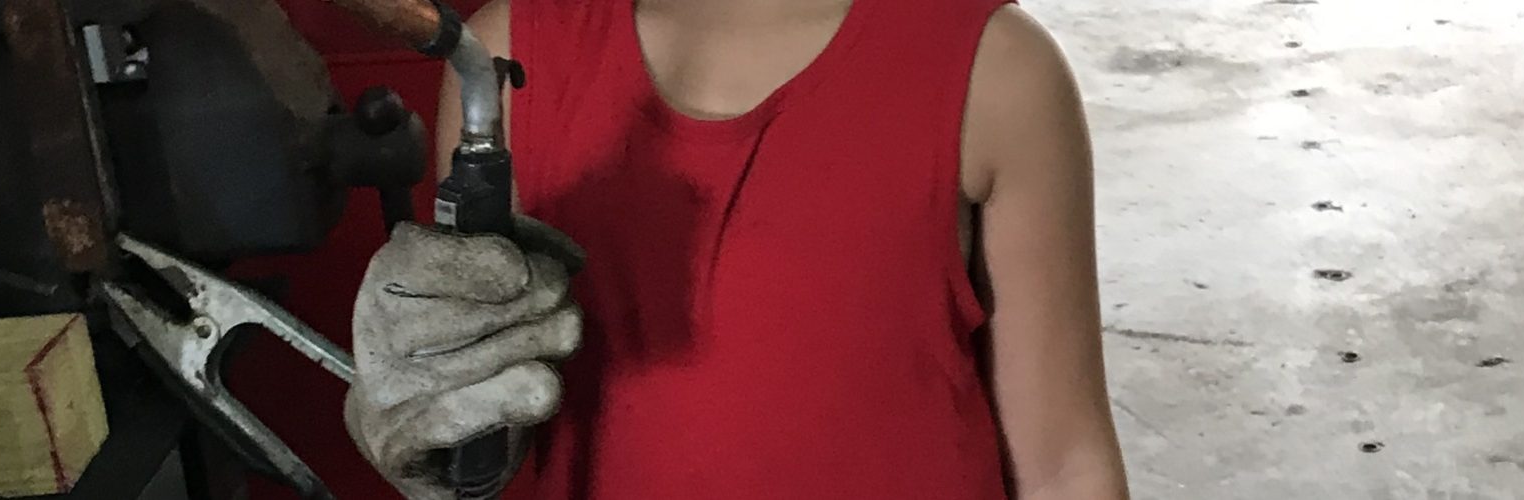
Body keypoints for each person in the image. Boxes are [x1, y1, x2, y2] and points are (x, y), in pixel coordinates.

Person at [342, 0, 1128, 498]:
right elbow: (482, 399)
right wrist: (423, 414)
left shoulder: (996, 70)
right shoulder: (508, 55)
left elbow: (1066, 466)